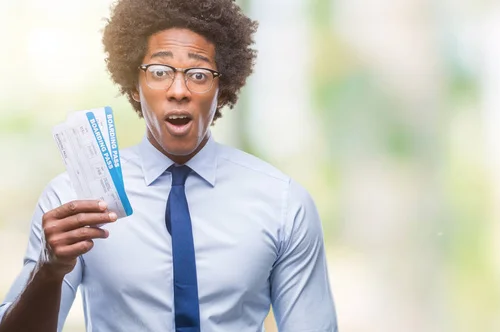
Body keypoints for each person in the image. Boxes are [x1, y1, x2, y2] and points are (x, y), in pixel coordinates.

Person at [0, 0, 338, 331]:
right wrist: (49, 269)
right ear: (134, 85)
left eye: (199, 74)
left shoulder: (283, 204)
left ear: (223, 86)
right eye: (160, 72)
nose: (179, 91)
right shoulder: (73, 201)